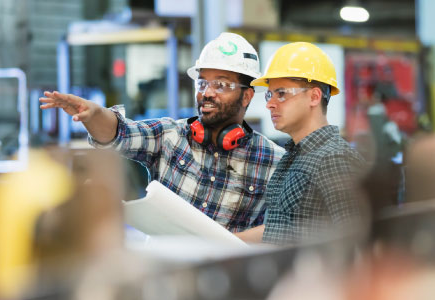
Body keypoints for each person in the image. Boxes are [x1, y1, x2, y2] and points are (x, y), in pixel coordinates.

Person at [40, 32, 285, 233]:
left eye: (220, 84)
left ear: (247, 95)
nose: (207, 92)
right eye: (202, 83)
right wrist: (93, 114)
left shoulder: (273, 161)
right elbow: (119, 133)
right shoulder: (170, 135)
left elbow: (279, 232)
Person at [236, 42, 367, 245]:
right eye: (270, 94)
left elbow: (359, 241)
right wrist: (224, 241)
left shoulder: (334, 160)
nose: (270, 103)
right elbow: (279, 229)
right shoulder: (293, 157)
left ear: (314, 97)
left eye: (281, 93)